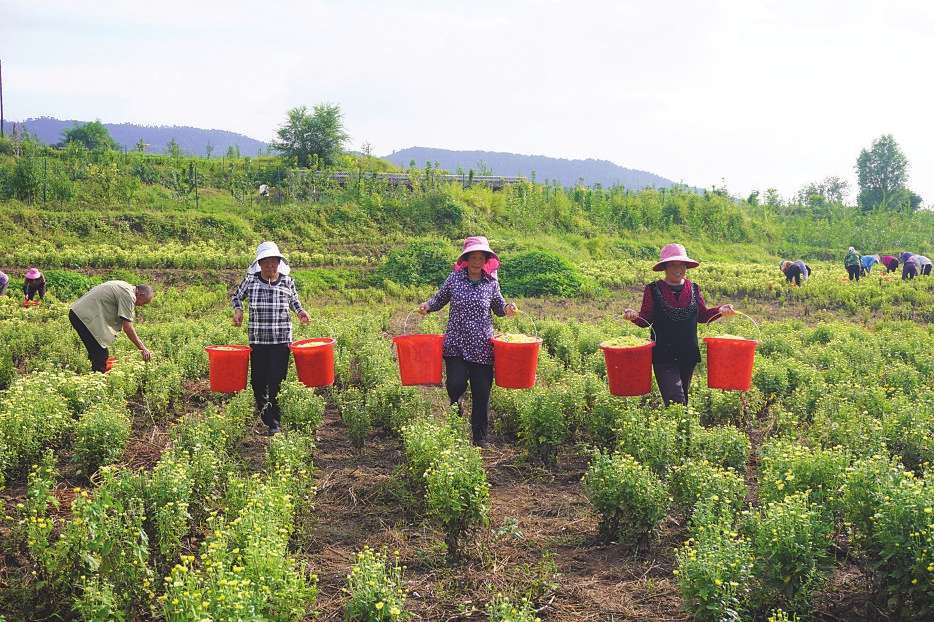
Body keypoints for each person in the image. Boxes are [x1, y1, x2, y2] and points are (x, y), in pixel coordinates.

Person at [417, 236, 518, 448]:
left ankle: (480, 437)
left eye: (481, 258)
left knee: (482, 392)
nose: (477, 261)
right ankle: (457, 404)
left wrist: (508, 308)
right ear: (466, 258)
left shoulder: (491, 284)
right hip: (456, 343)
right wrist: (427, 305)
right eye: (473, 257)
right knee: (456, 383)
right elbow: (439, 300)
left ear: (486, 261)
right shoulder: (454, 280)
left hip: (482, 346)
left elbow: (499, 308)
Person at [623, 243, 735, 407]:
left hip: (687, 353)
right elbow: (645, 319)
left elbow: (702, 315)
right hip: (663, 354)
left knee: (682, 398)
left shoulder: (693, 288)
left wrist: (720, 310)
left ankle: (681, 430)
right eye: (672, 265)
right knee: (676, 399)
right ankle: (682, 428)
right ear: (665, 268)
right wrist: (634, 316)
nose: (678, 269)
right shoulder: (653, 289)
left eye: (681, 264)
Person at [232, 241, 310, 436]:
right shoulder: (250, 281)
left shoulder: (287, 281)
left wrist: (300, 312)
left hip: (281, 340)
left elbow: (294, 301)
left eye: (273, 262)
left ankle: (274, 421)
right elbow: (236, 296)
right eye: (265, 262)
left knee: (276, 380)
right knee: (258, 380)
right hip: (258, 340)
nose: (270, 266)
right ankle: (264, 409)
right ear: (259, 264)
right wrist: (238, 310)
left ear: (278, 263)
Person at [69, 281, 154, 373]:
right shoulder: (128, 295)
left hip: (79, 314)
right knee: (101, 354)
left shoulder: (125, 287)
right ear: (140, 295)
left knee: (96, 351)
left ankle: (92, 375)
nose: (141, 305)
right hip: (82, 317)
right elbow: (128, 328)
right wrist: (143, 349)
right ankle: (97, 380)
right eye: (144, 303)